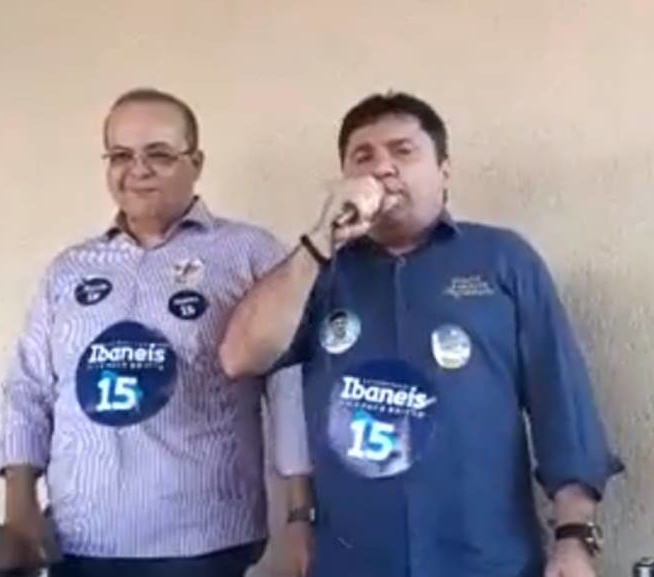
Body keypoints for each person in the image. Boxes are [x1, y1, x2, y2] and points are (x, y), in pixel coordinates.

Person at [219, 92, 623, 577]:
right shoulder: (318, 273)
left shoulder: (503, 259)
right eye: (363, 157)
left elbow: (562, 405)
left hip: (486, 558)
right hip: (353, 560)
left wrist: (574, 537)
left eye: (403, 151)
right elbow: (241, 356)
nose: (382, 168)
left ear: (443, 171)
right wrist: (321, 237)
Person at [0, 88, 312, 577]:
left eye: (158, 154)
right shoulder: (69, 270)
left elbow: (289, 388)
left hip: (204, 540)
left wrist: (299, 514)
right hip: (80, 538)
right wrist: (19, 509)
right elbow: (28, 389)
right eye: (121, 155)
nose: (137, 170)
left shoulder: (250, 254)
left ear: (196, 163)